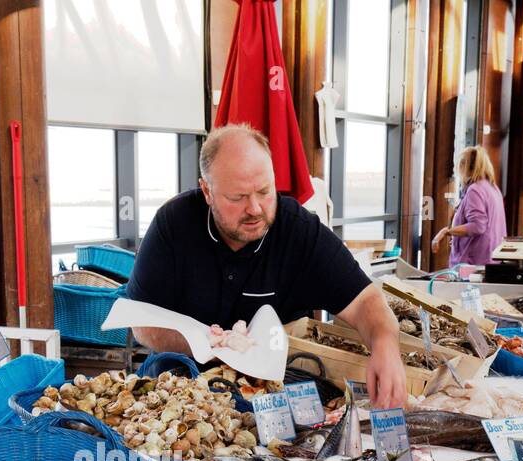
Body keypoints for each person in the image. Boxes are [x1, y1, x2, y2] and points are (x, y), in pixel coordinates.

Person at [123, 123, 409, 409]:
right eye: (238, 197)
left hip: (277, 391)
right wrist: (212, 344)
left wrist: (384, 344)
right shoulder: (173, 224)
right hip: (184, 383)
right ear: (207, 192)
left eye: (264, 191)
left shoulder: (299, 230)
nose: (255, 208)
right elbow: (143, 323)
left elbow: (365, 300)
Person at [432, 146, 507, 267]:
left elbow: (478, 226)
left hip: (474, 264)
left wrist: (448, 232)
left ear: (464, 168)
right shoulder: (493, 188)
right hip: (491, 259)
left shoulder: (475, 190)